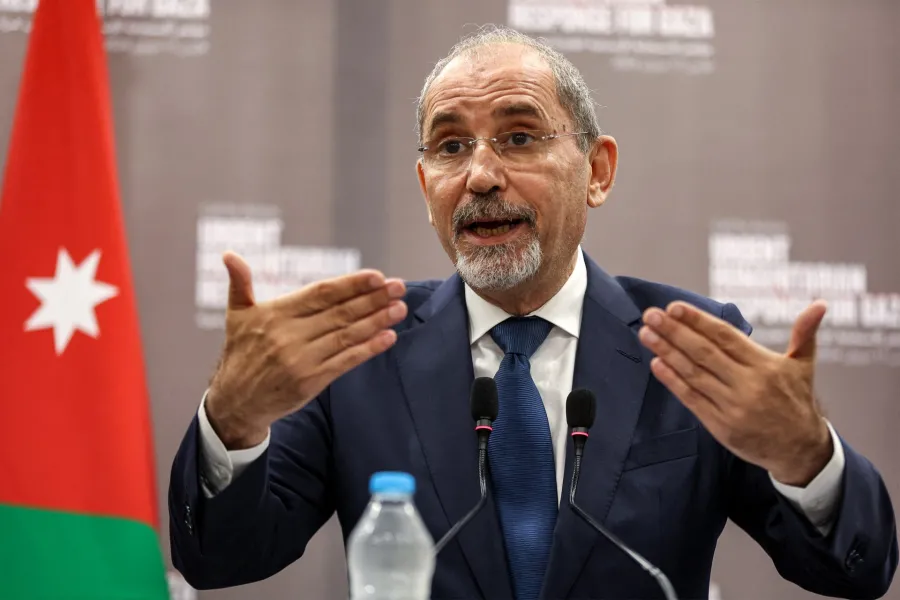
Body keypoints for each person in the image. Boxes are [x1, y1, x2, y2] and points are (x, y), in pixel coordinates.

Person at [168, 25, 897, 600]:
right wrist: (233, 422)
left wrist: (805, 457)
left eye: (519, 137)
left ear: (597, 171)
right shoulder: (363, 352)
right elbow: (223, 559)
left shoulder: (687, 345)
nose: (481, 175)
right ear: (426, 186)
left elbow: (855, 570)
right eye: (451, 146)